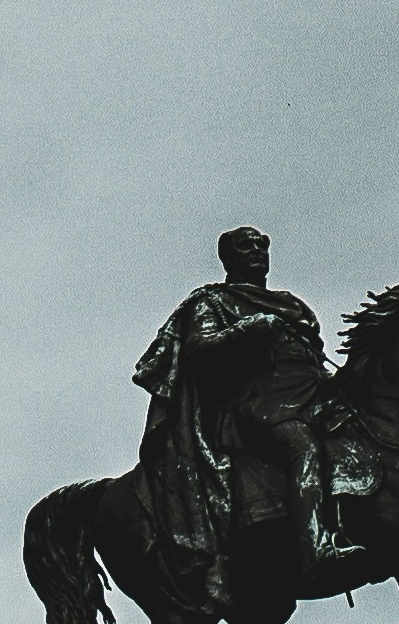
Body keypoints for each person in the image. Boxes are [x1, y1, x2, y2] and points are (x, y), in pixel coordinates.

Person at [133, 226, 336, 594]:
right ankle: (317, 549)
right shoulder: (212, 303)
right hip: (258, 407)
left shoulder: (292, 304)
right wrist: (249, 329)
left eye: (262, 245)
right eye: (246, 246)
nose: (256, 250)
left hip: (311, 399)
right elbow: (199, 348)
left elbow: (313, 357)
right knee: (303, 448)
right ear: (228, 258)